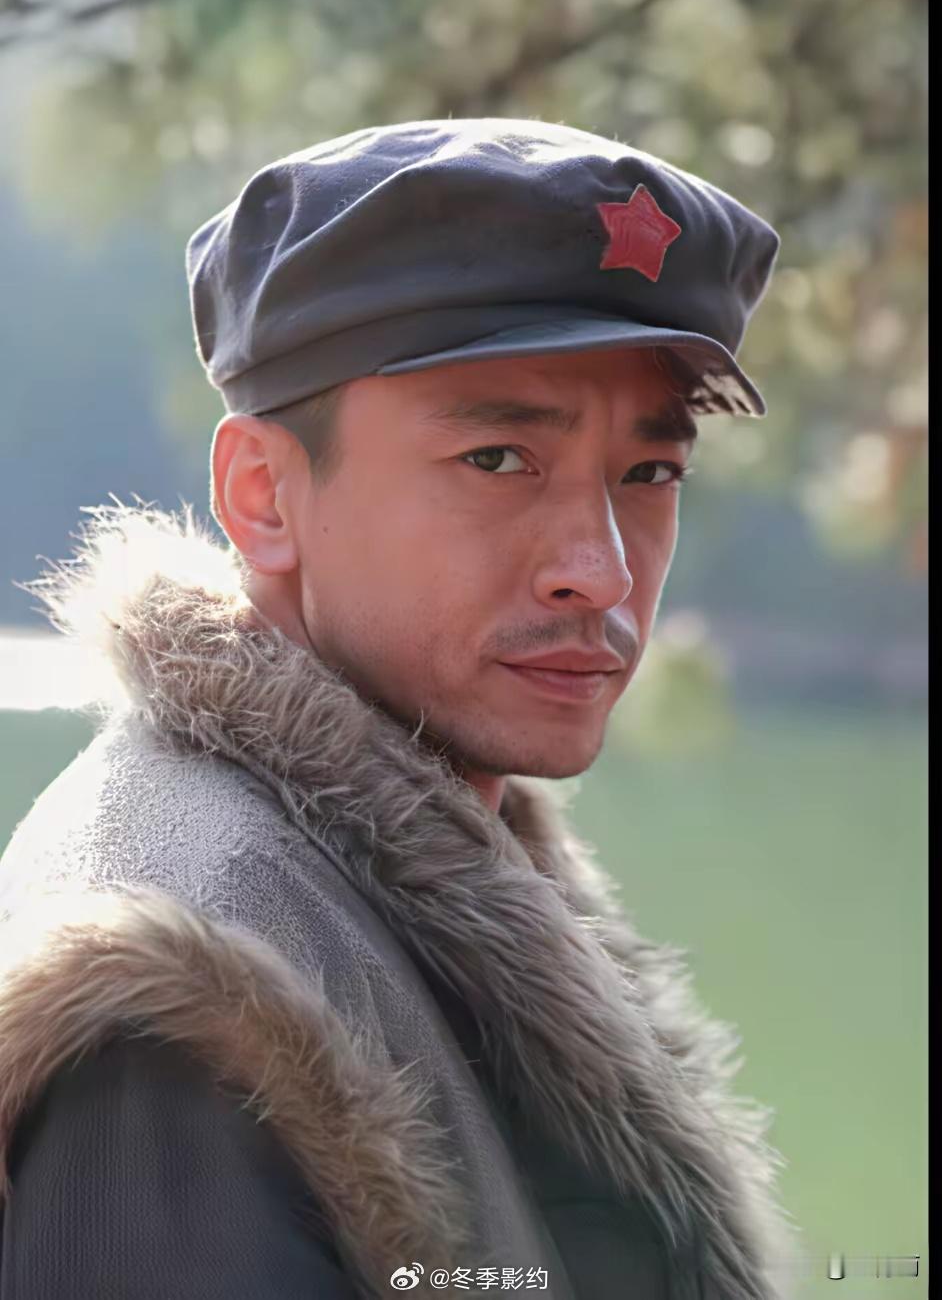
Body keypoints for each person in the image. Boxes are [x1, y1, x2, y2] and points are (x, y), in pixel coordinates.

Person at [0, 118, 803, 1299]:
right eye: (498, 459)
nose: (600, 571)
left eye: (649, 473)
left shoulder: (405, 869)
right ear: (263, 496)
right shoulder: (181, 1005)